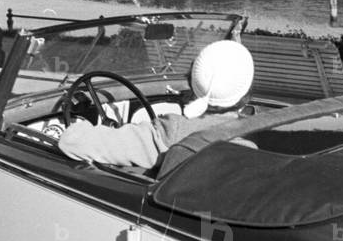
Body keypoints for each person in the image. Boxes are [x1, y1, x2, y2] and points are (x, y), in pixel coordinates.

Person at [58, 41, 255, 171]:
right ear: (245, 94)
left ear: (191, 83)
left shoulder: (169, 133)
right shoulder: (249, 145)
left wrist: (80, 126)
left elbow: (72, 141)